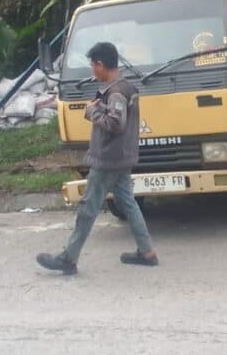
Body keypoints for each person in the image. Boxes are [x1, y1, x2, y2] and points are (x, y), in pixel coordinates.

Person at [37, 42, 157, 275]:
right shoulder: (125, 87)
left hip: (109, 159)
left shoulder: (117, 92)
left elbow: (115, 123)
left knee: (88, 207)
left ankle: (68, 258)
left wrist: (92, 111)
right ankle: (147, 252)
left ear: (101, 65)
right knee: (129, 204)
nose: (92, 70)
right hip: (121, 157)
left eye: (93, 65)